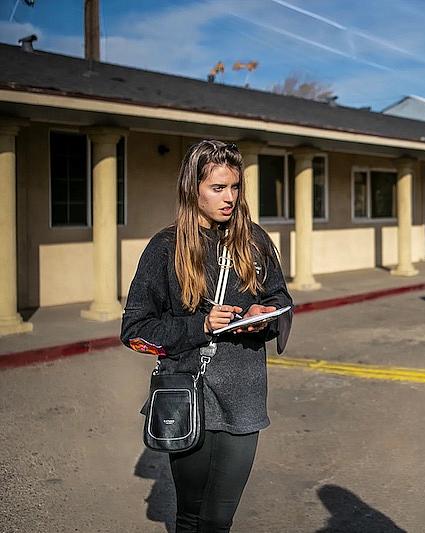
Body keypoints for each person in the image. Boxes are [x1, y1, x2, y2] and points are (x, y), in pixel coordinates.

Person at [121, 140, 292, 532]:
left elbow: (281, 298)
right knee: (190, 515)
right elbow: (135, 330)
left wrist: (263, 316)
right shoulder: (165, 248)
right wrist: (200, 325)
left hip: (245, 394)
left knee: (219, 519)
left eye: (235, 187)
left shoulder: (255, 241)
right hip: (187, 393)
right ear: (192, 189)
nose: (229, 198)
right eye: (218, 188)